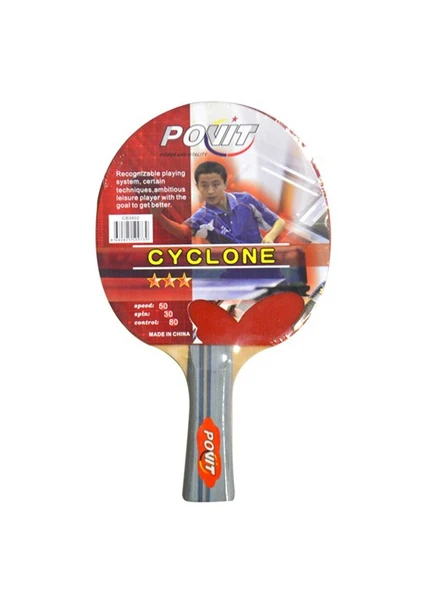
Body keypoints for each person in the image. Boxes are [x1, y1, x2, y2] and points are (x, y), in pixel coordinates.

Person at [152, 161, 285, 244]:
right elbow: (182, 231)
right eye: (204, 186)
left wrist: (270, 236)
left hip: (263, 267)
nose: (210, 191)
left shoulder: (246, 200)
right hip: (232, 274)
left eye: (216, 185)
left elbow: (279, 222)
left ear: (225, 184)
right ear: (197, 187)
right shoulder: (202, 216)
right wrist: (159, 216)